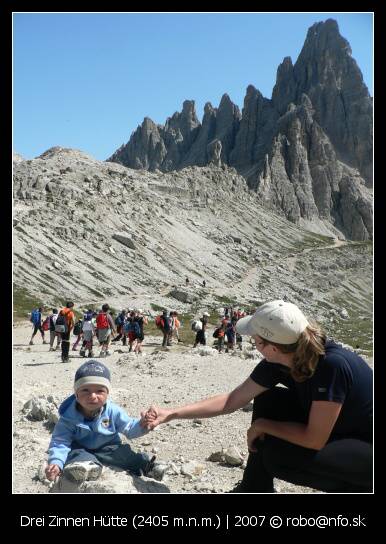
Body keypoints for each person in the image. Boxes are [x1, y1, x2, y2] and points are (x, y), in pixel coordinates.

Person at [142, 300, 373, 493]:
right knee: (269, 399)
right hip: (339, 431)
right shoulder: (279, 361)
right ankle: (253, 488)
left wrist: (263, 425)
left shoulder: (332, 366)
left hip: (366, 446)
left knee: (276, 456)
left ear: (271, 346)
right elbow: (232, 400)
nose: (253, 343)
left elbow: (314, 439)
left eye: (255, 339)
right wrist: (170, 413)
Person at [45, 360, 168, 484]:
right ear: (76, 394)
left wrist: (142, 424)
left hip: (108, 446)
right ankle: (88, 467)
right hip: (80, 447)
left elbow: (129, 427)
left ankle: (148, 467)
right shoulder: (68, 417)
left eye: (100, 391)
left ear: (107, 393)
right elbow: (60, 441)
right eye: (85, 390)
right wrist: (56, 462)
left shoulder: (113, 411)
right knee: (74, 453)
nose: (93, 396)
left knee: (124, 454)